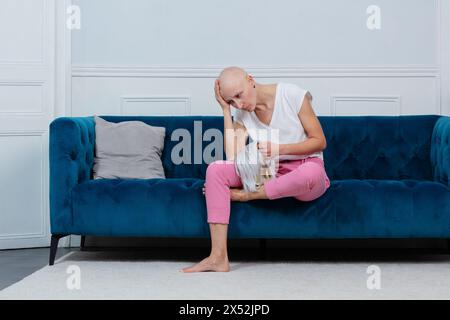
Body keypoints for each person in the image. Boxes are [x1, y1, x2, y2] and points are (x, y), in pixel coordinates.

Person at [180, 66, 331, 273]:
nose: (239, 104)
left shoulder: (293, 95)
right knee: (216, 169)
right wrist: (226, 110)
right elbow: (233, 154)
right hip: (269, 172)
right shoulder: (242, 112)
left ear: (250, 79)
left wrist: (280, 149)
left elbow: (319, 141)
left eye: (239, 96)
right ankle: (218, 257)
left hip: (306, 169)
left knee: (311, 174)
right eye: (232, 101)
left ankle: (246, 195)